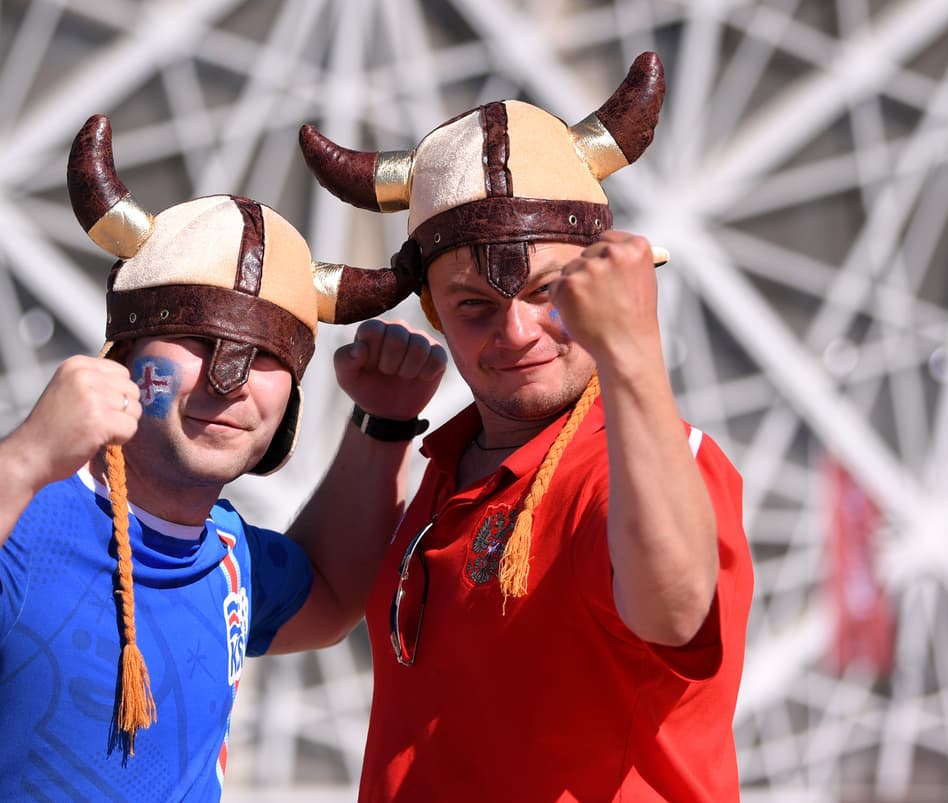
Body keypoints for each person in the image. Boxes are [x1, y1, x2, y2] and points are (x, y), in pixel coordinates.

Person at [0, 114, 445, 801]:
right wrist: (27, 456)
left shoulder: (229, 550)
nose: (227, 380)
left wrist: (383, 422)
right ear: (124, 358)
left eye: (266, 355)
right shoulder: (18, 521)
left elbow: (327, 598)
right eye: (194, 340)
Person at [299, 52, 754, 801]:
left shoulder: (635, 462)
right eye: (475, 305)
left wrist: (634, 354)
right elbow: (315, 604)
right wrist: (382, 426)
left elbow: (674, 612)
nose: (517, 332)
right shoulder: (453, 464)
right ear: (435, 315)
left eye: (552, 291)